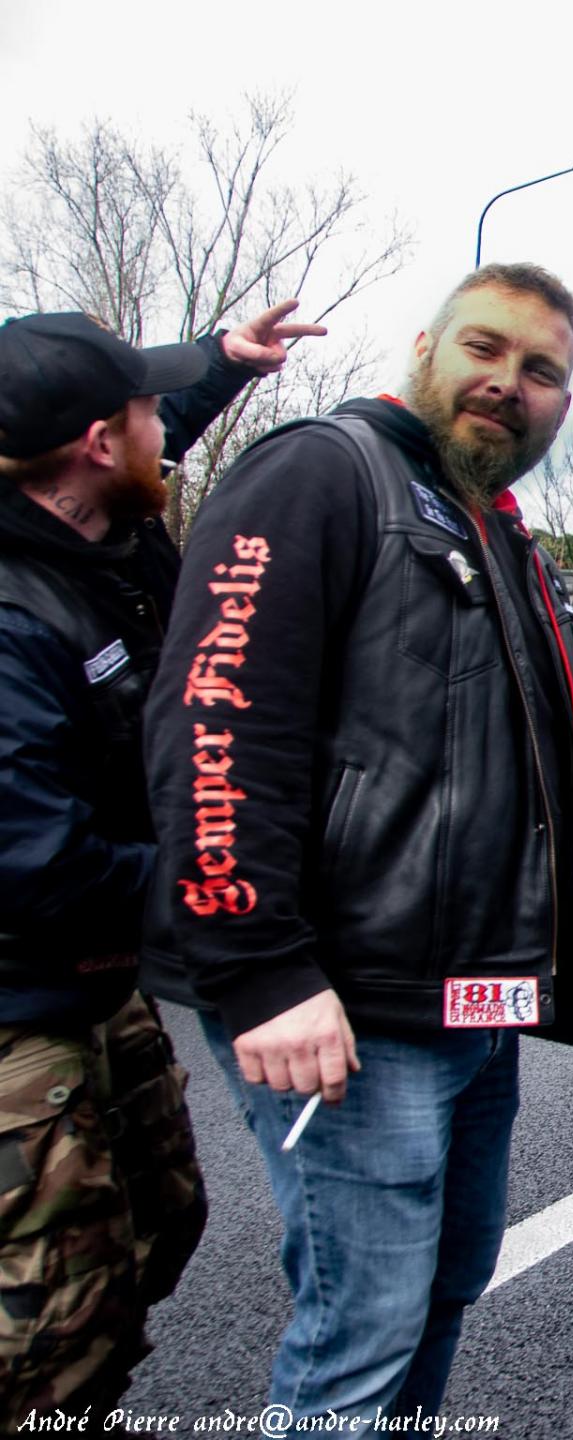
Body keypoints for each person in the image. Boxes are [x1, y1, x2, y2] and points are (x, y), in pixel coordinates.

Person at [141, 263, 573, 1422]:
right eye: (484, 350)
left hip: (471, 1003)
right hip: (350, 1009)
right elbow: (214, 728)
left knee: (445, 1291)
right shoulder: (320, 475)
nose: (509, 384)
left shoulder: (502, 534)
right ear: (423, 349)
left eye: (542, 371)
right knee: (362, 1329)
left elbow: (567, 764)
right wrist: (262, 971)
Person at [0, 301, 325, 1422]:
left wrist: (223, 365)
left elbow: (160, 423)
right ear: (98, 442)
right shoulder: (11, 612)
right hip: (20, 998)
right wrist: (234, 891)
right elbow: (33, 861)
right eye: (145, 411)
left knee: (163, 1219)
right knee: (54, 1321)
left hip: (100, 976)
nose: (163, 431)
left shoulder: (101, 526)